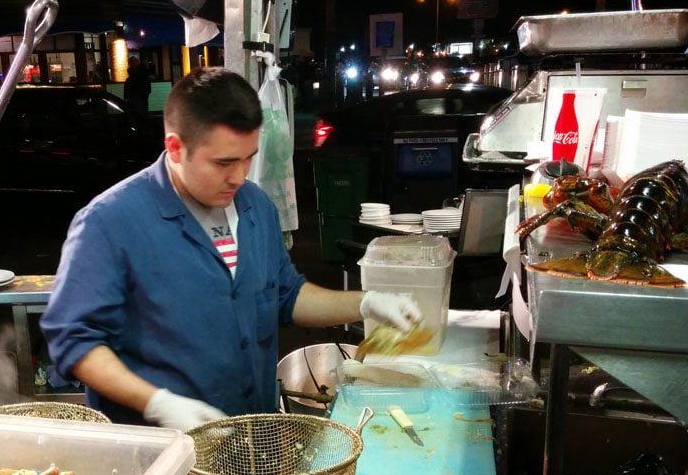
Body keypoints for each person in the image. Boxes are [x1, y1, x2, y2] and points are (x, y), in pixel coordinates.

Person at [41, 67, 420, 430]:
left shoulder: (255, 206)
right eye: (223, 162)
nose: (239, 176)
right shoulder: (110, 222)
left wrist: (365, 303)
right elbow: (74, 339)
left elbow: (287, 295)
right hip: (163, 451)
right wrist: (156, 402)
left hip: (251, 432)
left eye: (248, 158)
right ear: (175, 148)